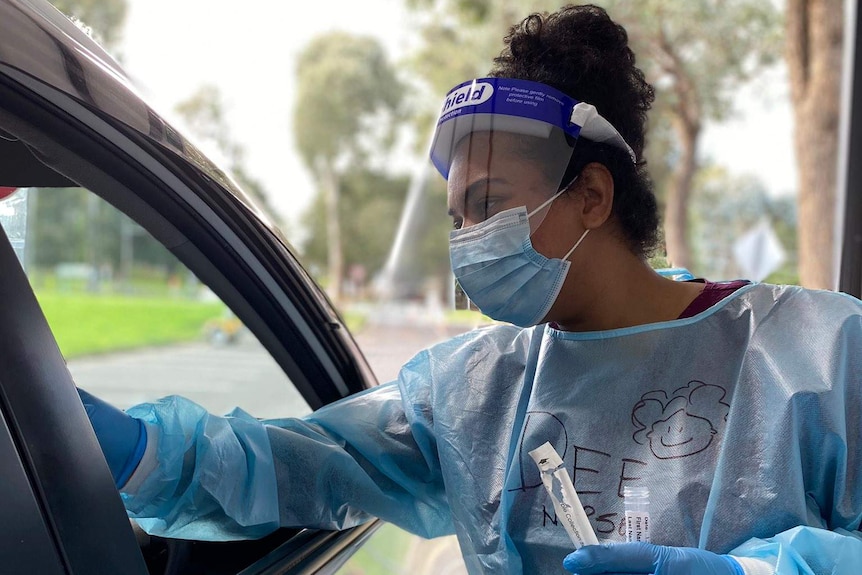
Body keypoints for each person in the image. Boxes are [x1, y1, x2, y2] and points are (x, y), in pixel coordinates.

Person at [79, 4, 862, 574]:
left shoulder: (817, 354)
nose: (467, 241)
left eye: (488, 204)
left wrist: (757, 573)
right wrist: (124, 446)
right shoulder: (472, 394)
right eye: (458, 217)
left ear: (591, 195)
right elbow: (297, 466)